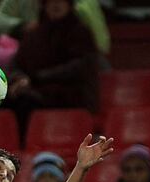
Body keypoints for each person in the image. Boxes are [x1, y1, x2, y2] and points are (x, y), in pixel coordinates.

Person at [6, 0, 99, 140]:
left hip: (69, 95)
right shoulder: (34, 34)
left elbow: (79, 67)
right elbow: (16, 64)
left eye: (61, 1)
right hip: (35, 90)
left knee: (25, 103)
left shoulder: (81, 32)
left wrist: (35, 78)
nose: (56, 5)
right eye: (51, 1)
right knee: (4, 99)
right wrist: (19, 78)